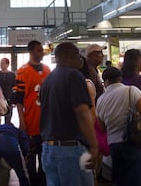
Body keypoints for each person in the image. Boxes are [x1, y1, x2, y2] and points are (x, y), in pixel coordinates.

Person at [39, 42, 98, 186]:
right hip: (70, 151)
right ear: (68, 56)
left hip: (48, 150)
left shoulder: (48, 80)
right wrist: (94, 145)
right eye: (78, 55)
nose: (80, 59)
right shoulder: (73, 76)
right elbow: (82, 113)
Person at [96, 67, 141, 186]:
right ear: (120, 78)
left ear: (106, 82)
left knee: (120, 181)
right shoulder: (132, 90)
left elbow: (101, 127)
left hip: (114, 146)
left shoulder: (100, 100)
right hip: (134, 142)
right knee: (137, 180)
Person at [13, 40, 50, 186]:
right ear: (31, 51)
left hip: (47, 123)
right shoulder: (22, 72)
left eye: (42, 50)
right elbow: (18, 99)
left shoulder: (48, 70)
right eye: (39, 50)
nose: (41, 53)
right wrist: (22, 121)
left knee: (45, 158)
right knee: (30, 158)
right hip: (30, 121)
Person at [0, 58, 16, 124]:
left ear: (7, 64)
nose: (1, 65)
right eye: (0, 63)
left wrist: (13, 100)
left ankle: (6, 130)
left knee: (8, 117)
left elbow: (14, 87)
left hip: (9, 97)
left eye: (2, 63)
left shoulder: (12, 75)